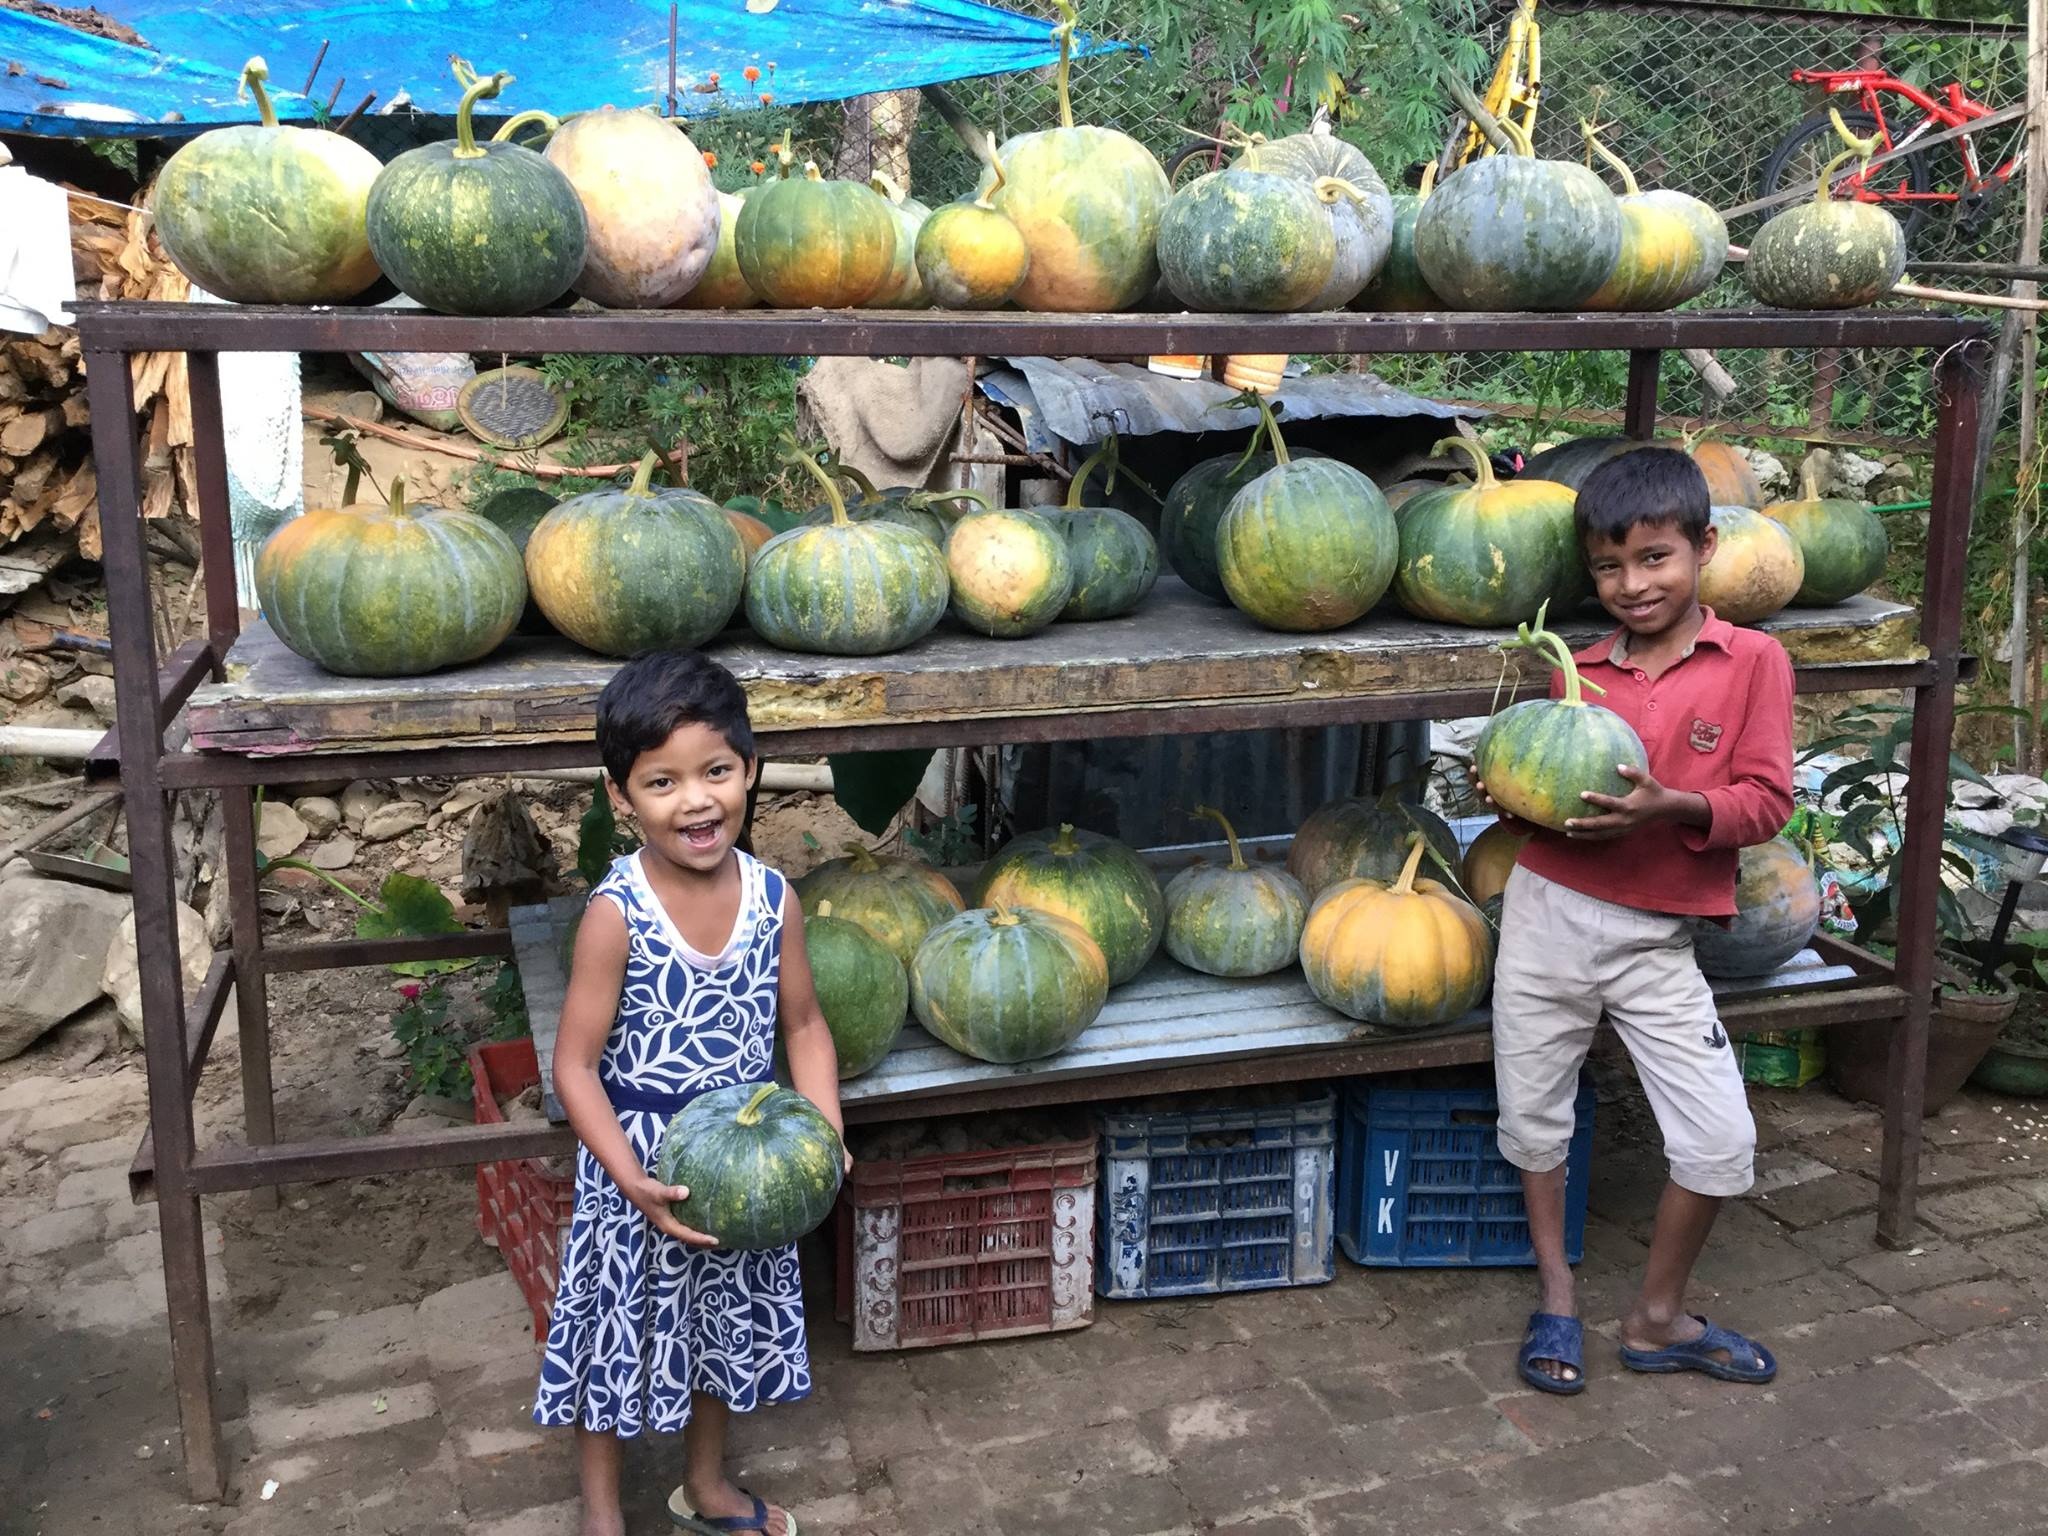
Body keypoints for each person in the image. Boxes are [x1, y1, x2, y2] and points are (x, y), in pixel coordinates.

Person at [1479, 448, 1794, 1396]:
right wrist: (1501, 792)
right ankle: (1559, 1294)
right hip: (1546, 915)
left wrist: (1675, 808)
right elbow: (1538, 797)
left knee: (1720, 1142)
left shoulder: (1753, 662)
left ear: (1704, 547)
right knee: (1534, 1119)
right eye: (1610, 568)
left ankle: (1658, 1318)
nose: (1632, 585)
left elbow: (1769, 802)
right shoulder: (1573, 671)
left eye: (1655, 559)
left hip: (1659, 935)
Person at [534, 649, 843, 1536]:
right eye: (661, 782)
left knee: (720, 1332)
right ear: (620, 796)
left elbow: (806, 1028)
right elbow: (573, 1065)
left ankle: (704, 1486)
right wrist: (628, 1175)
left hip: (742, 1164)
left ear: (751, 769)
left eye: (715, 771)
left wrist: (822, 1128)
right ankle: (601, 1516)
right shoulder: (616, 911)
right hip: (637, 1172)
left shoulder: (773, 898)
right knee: (613, 1342)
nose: (696, 800)